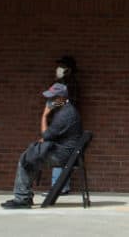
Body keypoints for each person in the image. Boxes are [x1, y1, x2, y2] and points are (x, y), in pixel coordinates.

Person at [1, 82, 83, 209]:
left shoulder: (64, 114)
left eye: (52, 98)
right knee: (31, 155)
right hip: (65, 153)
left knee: (26, 158)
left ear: (61, 99)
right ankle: (24, 197)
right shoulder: (66, 109)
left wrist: (45, 115)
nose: (49, 101)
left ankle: (22, 198)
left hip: (62, 155)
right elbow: (51, 136)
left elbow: (46, 135)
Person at [50, 55, 80, 194]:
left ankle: (58, 186)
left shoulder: (69, 83)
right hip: (64, 120)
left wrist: (50, 106)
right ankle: (61, 185)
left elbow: (65, 100)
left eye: (62, 66)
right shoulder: (63, 82)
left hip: (65, 122)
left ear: (68, 69)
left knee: (59, 152)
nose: (58, 69)